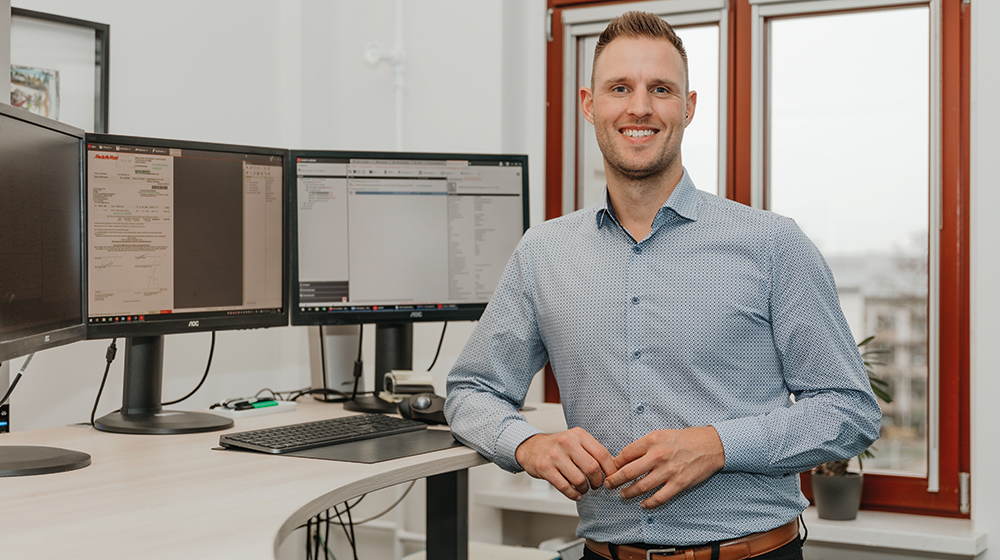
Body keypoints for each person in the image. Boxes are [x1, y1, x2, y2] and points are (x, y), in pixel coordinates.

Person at [445, 10, 881, 560]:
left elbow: (850, 410)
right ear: (588, 104)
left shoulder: (773, 244)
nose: (640, 107)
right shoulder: (543, 253)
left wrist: (719, 446)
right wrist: (527, 444)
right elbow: (471, 392)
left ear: (689, 107)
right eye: (619, 88)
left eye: (661, 89)